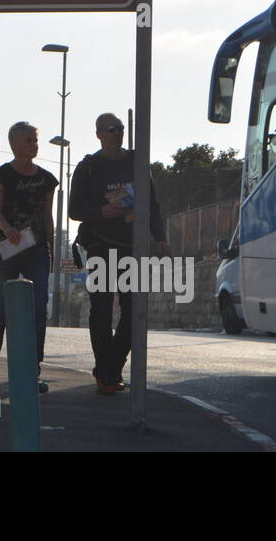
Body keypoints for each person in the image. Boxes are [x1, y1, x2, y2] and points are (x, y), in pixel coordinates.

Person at [68, 112, 171, 395]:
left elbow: (153, 204)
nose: (117, 133)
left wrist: (160, 239)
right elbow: (74, 211)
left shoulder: (136, 162)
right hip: (101, 246)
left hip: (132, 248)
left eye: (120, 128)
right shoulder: (88, 167)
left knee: (135, 310)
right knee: (100, 310)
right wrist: (101, 211)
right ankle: (106, 372)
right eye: (111, 129)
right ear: (99, 133)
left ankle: (111, 366)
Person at [0, 121, 58, 394]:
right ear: (14, 144)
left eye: (35, 140)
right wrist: (7, 229)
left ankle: (32, 370)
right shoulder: (1, 175)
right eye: (28, 140)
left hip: (36, 250)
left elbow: (48, 217)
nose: (34, 145)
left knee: (38, 311)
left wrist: (52, 249)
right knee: (2, 309)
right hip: (7, 250)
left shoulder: (47, 179)